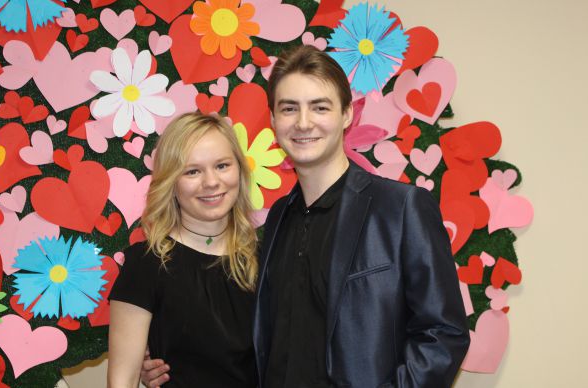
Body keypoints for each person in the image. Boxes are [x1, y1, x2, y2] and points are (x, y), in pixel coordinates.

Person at [142, 45, 470, 388]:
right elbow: (254, 336)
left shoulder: (400, 208)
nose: (303, 122)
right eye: (289, 108)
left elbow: (444, 334)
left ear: (347, 114)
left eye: (319, 107)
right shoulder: (276, 222)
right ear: (273, 121)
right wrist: (170, 359)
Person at [108, 113, 259, 388]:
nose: (211, 182)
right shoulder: (146, 264)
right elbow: (122, 381)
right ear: (171, 182)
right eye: (192, 171)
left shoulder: (267, 257)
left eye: (222, 165)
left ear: (239, 169)